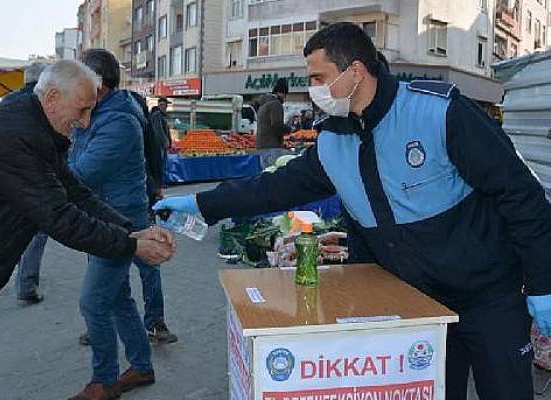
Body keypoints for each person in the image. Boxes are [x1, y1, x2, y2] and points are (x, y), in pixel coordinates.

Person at [154, 22, 551, 400]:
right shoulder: (334, 140)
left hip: (489, 298)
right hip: (419, 307)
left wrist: (542, 283)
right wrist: (202, 204)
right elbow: (273, 189)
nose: (313, 90)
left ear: (356, 72)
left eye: (319, 78)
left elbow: (520, 194)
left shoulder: (439, 113)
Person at [0, 59, 175, 400]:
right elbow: (61, 217)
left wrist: (129, 232)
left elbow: (73, 191)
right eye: (82, 110)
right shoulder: (19, 137)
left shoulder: (34, 125)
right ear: (53, 99)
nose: (85, 121)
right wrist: (131, 246)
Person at [67, 49, 174, 400]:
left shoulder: (118, 122)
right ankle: (141, 366)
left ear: (97, 85)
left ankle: (105, 379)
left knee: (94, 301)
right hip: (104, 216)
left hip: (121, 222)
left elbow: (79, 172)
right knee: (117, 297)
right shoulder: (98, 114)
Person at [2, 62, 50, 305]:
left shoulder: (8, 101)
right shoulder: (43, 101)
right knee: (38, 232)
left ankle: (11, 276)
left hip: (8, 176)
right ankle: (27, 284)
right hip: (35, 176)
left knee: (15, 227)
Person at [256, 77, 290, 168]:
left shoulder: (264, 104)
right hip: (272, 145)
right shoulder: (276, 104)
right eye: (285, 94)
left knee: (266, 172)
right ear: (280, 93)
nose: (285, 98)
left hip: (262, 145)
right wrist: (289, 129)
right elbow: (276, 125)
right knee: (274, 171)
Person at [147, 96, 172, 207]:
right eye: (161, 104)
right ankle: (159, 184)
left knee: (162, 164)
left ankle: (161, 183)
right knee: (159, 164)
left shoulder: (163, 116)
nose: (163, 106)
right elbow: (159, 131)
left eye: (164, 104)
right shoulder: (157, 115)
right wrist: (165, 141)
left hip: (160, 145)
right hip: (159, 145)